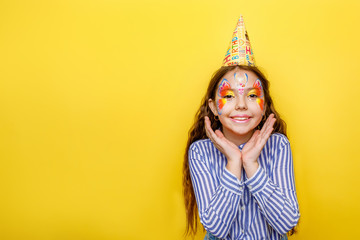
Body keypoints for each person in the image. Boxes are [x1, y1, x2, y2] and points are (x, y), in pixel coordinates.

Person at [182, 16, 300, 240]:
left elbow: (286, 222)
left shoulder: (278, 146)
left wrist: (252, 164)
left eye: (252, 95)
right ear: (213, 107)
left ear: (264, 105)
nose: (242, 104)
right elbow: (216, 229)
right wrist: (234, 162)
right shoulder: (200, 152)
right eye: (229, 95)